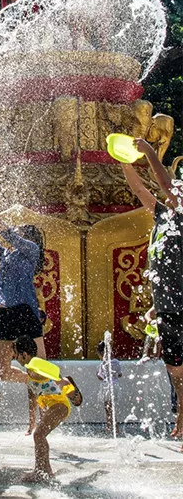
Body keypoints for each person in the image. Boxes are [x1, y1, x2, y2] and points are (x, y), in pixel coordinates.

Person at [121, 138, 183, 451]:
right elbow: (139, 189)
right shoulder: (163, 216)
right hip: (168, 305)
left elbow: (164, 181)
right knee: (175, 365)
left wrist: (148, 152)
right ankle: (182, 413)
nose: (174, 192)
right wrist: (123, 160)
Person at [0, 216, 45, 433]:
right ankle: (30, 379)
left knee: (41, 366)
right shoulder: (6, 254)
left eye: (18, 230)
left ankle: (39, 419)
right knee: (0, 371)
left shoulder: (32, 250)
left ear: (27, 235)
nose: (15, 231)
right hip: (4, 313)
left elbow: (10, 236)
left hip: (25, 312)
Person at [12, 335, 81, 482]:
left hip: (60, 406)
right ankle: (45, 472)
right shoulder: (29, 372)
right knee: (38, 435)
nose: (14, 357)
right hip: (51, 405)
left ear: (24, 354)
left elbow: (53, 372)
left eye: (16, 354)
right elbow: (33, 400)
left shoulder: (35, 364)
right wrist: (32, 422)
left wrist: (64, 382)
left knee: (39, 435)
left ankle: (42, 472)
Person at [96, 340, 122, 433]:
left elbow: (100, 377)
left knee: (108, 409)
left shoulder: (103, 364)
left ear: (101, 353)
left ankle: (111, 427)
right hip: (115, 386)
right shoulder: (116, 361)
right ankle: (114, 427)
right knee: (113, 408)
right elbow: (120, 374)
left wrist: (97, 374)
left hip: (106, 387)